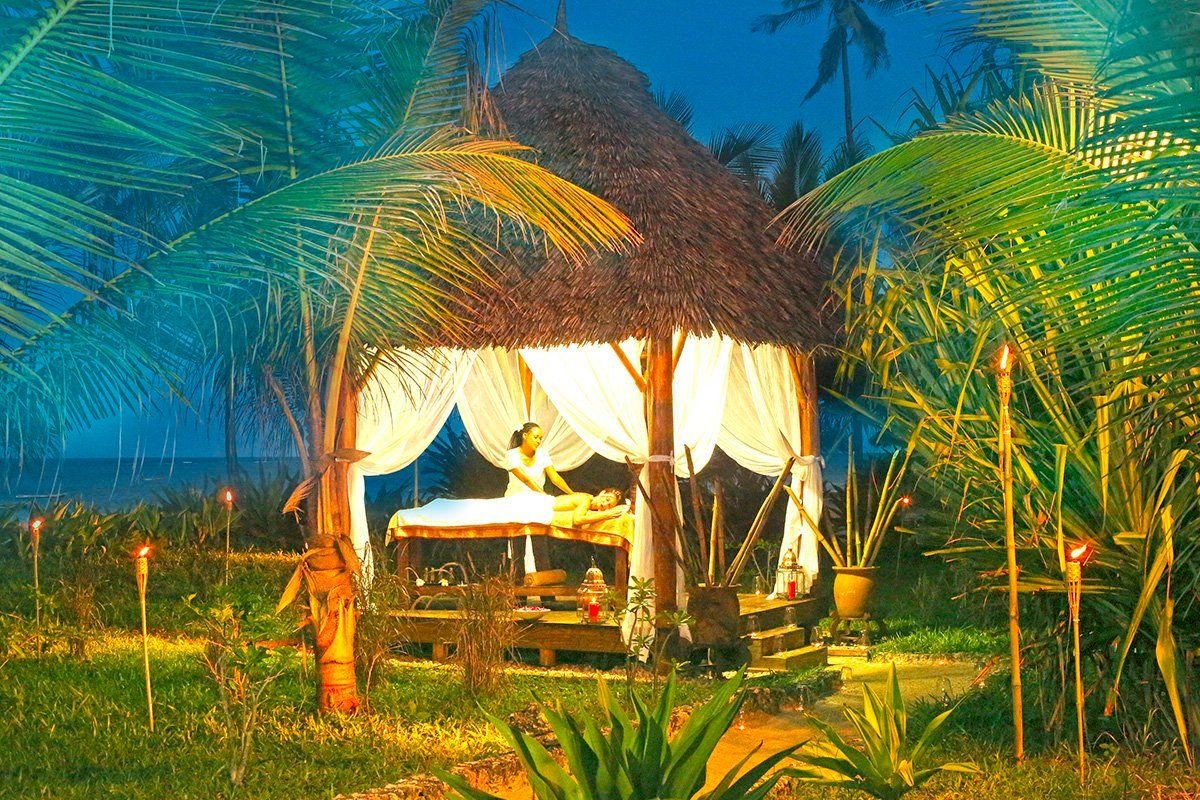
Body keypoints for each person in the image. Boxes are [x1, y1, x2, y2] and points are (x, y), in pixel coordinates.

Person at [505, 422, 573, 497]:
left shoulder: (542, 453)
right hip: (515, 498)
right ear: (525, 435)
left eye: (540, 438)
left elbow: (555, 477)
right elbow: (526, 480)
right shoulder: (511, 454)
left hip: (538, 497)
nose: (538, 441)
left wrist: (572, 493)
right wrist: (545, 497)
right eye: (535, 437)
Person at [553, 488, 626, 527]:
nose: (605, 504)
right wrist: (605, 515)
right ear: (602, 493)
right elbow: (577, 520)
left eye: (609, 505)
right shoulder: (586, 499)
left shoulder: (589, 501)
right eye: (607, 499)